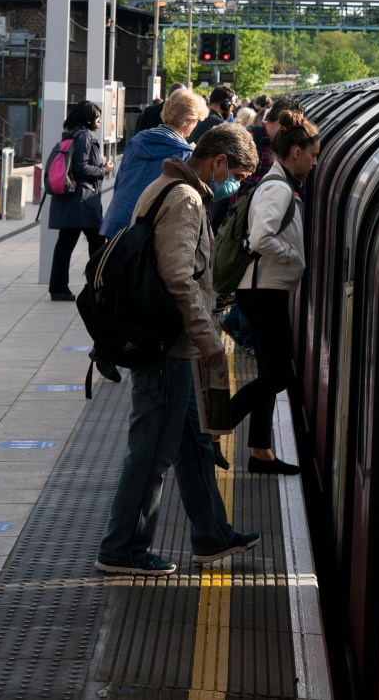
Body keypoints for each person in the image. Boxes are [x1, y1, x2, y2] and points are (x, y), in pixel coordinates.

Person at [95, 123, 261, 576]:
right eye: (239, 177)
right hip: (169, 344)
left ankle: (212, 535)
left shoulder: (168, 183)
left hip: (174, 342)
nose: (236, 186)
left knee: (192, 444)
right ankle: (122, 547)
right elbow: (178, 277)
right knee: (152, 449)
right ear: (219, 162)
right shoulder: (186, 199)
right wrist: (209, 341)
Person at [220, 110, 320, 475]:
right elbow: (261, 238)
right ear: (296, 152)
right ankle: (217, 426)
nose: (314, 161)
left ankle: (260, 451)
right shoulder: (278, 189)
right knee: (280, 374)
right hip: (262, 291)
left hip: (264, 290)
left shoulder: (278, 184)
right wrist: (295, 257)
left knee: (269, 370)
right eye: (312, 154)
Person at [219, 96, 305, 352]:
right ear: (277, 121)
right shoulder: (246, 139)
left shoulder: (281, 147)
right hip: (243, 223)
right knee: (251, 281)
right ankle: (248, 336)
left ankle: (242, 327)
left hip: (260, 220)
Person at [100, 88, 207, 239]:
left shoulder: (136, 141)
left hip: (118, 218)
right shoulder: (184, 154)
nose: (196, 125)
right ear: (187, 120)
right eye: (196, 121)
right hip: (145, 227)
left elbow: (120, 182)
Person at [47, 101, 112, 301]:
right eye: (97, 117)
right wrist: (104, 170)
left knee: (66, 244)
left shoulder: (71, 135)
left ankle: (59, 288)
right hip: (82, 201)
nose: (100, 121)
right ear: (87, 119)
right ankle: (98, 287)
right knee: (98, 243)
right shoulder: (84, 136)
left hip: (73, 200)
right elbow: (81, 167)